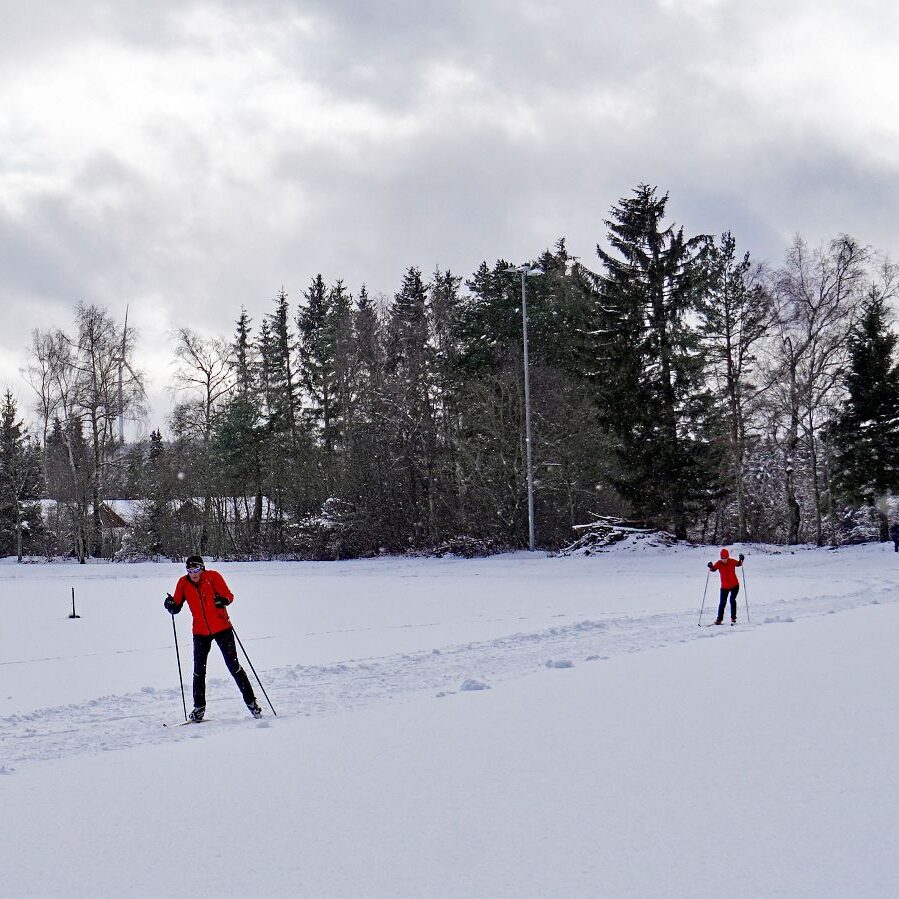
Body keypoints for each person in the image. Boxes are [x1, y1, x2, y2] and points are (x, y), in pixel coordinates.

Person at [164, 555, 262, 721]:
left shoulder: (213, 577)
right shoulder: (183, 583)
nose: (193, 573)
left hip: (222, 628)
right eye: (189, 570)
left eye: (196, 569)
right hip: (200, 632)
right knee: (198, 671)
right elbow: (177, 605)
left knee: (233, 666)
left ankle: (252, 703)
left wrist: (223, 600)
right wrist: (171, 605)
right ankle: (199, 708)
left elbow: (229, 596)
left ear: (202, 568)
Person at [707, 548, 744, 625]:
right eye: (722, 558)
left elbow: (739, 564)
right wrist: (710, 566)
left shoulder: (731, 561)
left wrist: (741, 559)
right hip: (724, 587)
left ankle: (733, 618)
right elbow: (713, 569)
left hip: (734, 585)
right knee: (722, 603)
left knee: (732, 600)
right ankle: (719, 619)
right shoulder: (719, 563)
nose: (724, 560)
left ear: (728, 557)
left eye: (725, 558)